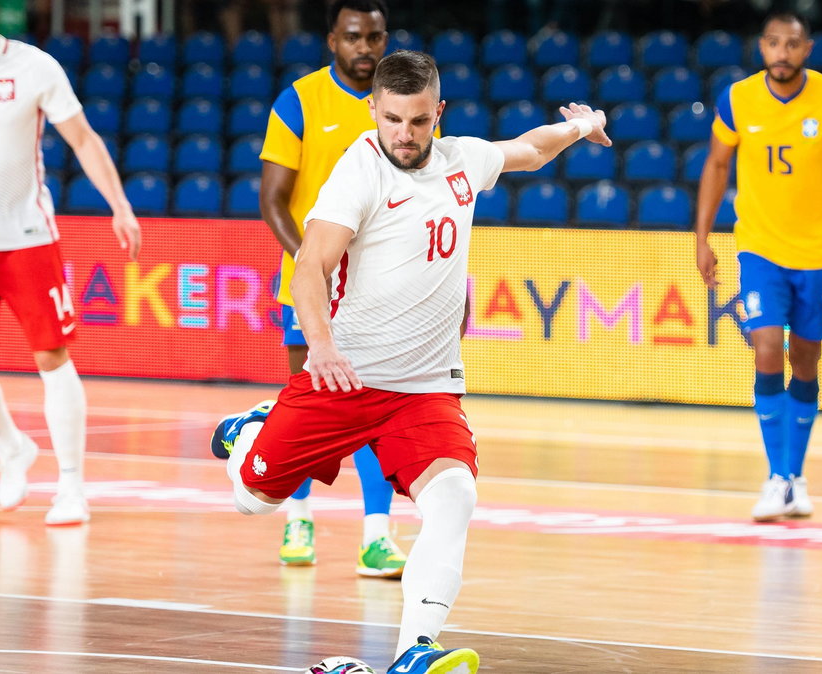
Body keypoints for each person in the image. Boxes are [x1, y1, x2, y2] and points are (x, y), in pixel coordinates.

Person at [213, 49, 611, 673]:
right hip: (341, 378)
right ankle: (251, 432)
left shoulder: (463, 161)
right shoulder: (359, 171)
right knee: (252, 498)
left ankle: (414, 651)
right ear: (374, 110)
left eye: (419, 121)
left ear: (438, 114)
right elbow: (310, 266)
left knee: (456, 495)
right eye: (393, 119)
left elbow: (529, 149)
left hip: (424, 389)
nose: (404, 134)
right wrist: (319, 344)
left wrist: (582, 127)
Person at [0, 0, 140, 526]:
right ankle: (11, 445)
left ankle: (72, 488)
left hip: (28, 240)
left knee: (51, 357)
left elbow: (83, 138)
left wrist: (120, 206)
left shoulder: (35, 66)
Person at [222, 0, 408, 575]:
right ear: (332, 39)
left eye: (374, 37)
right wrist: (312, 265)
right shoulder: (299, 100)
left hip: (379, 289)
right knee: (308, 405)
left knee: (375, 407)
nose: (365, 48)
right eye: (354, 37)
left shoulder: (401, 107)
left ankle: (376, 537)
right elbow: (272, 199)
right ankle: (297, 522)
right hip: (311, 285)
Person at [694, 11, 822, 522]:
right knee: (766, 349)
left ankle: (795, 476)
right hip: (759, 248)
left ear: (807, 50)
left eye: (792, 45)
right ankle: (776, 478)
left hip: (818, 253)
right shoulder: (737, 99)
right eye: (773, 44)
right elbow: (717, 164)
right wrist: (702, 237)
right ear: (762, 48)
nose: (782, 53)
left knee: (805, 361)